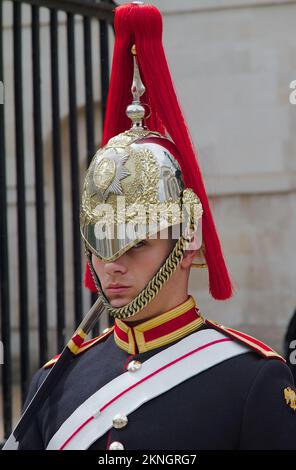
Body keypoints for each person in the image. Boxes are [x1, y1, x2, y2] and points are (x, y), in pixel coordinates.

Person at [8, 2, 296, 450]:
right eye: (101, 243)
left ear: (187, 240)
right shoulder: (55, 380)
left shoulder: (251, 379)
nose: (111, 265)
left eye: (135, 243)